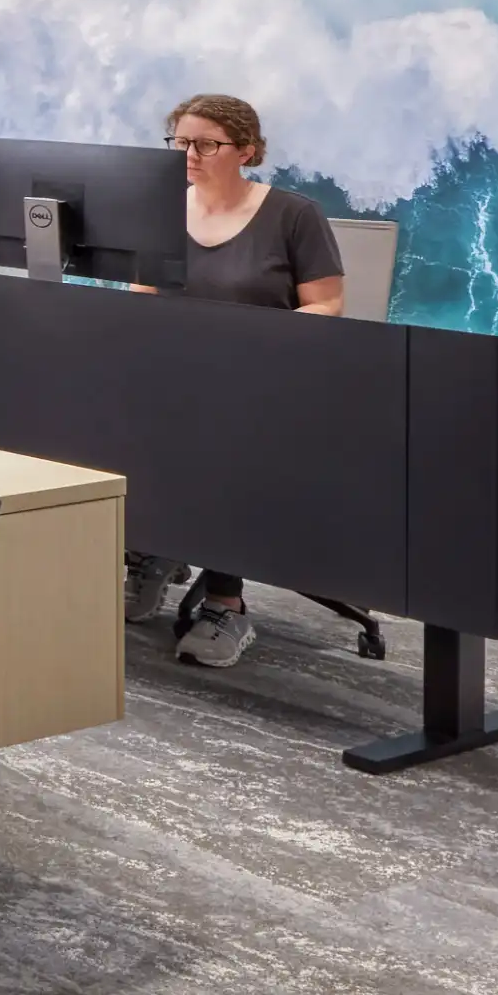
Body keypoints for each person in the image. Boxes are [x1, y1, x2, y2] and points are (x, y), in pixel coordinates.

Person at [138, 93, 348, 668]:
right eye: (180, 142)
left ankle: (226, 603)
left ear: (247, 151)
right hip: (179, 374)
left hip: (265, 380)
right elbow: (142, 302)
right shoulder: (159, 210)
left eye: (206, 143)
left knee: (221, 440)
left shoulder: (293, 214)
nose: (189, 154)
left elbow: (327, 306)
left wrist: (251, 344)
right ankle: (152, 553)